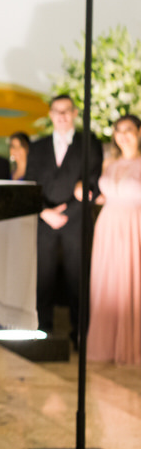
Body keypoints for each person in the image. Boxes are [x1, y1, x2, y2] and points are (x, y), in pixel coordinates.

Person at [25, 94, 102, 344]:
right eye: (57, 111)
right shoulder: (37, 147)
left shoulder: (89, 143)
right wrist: (44, 212)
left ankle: (80, 335)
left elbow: (93, 183)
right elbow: (30, 183)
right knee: (42, 278)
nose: (62, 115)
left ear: (75, 113)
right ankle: (42, 331)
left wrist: (66, 213)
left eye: (67, 110)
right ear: (50, 115)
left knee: (77, 280)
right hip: (44, 222)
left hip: (77, 222)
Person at [86, 114, 141, 365]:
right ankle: (106, 344)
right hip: (107, 226)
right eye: (118, 130)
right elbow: (105, 194)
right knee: (107, 284)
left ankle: (131, 345)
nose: (123, 135)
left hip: (134, 225)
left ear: (138, 132)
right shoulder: (109, 163)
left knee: (132, 282)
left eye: (128, 130)